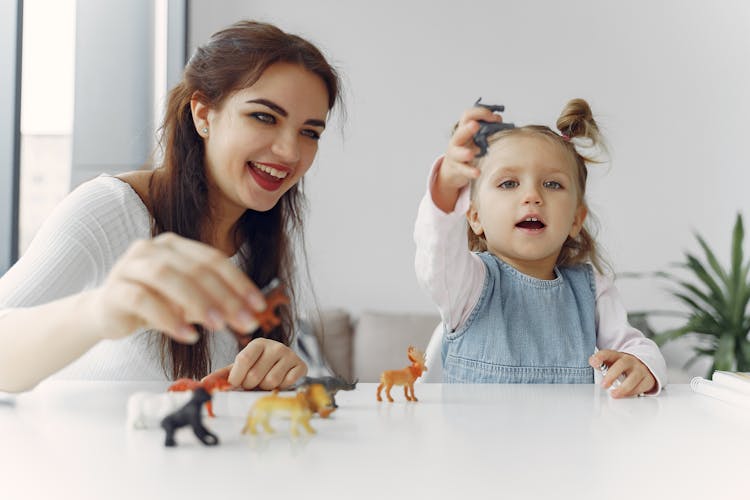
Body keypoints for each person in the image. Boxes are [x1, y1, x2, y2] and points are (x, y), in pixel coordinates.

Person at [0, 20, 342, 393]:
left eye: (310, 132)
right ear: (202, 113)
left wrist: (274, 368)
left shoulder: (260, 235)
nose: (291, 152)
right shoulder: (112, 209)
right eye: (263, 116)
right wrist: (101, 310)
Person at [414, 99, 667, 397]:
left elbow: (635, 346)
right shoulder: (467, 285)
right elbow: (437, 249)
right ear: (475, 216)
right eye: (509, 183)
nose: (532, 195)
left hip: (566, 442)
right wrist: (445, 186)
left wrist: (642, 365)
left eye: (552, 184)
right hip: (476, 442)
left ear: (575, 219)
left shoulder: (592, 291)